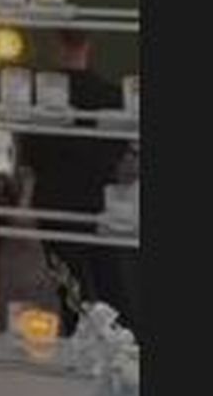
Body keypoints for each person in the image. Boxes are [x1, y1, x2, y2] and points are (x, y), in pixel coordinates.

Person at [25, 28, 136, 336]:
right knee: (111, 282)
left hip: (54, 202)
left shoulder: (40, 98)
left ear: (56, 43)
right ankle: (122, 343)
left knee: (70, 288)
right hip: (99, 202)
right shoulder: (112, 95)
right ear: (89, 45)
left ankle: (78, 341)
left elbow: (31, 155)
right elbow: (119, 152)